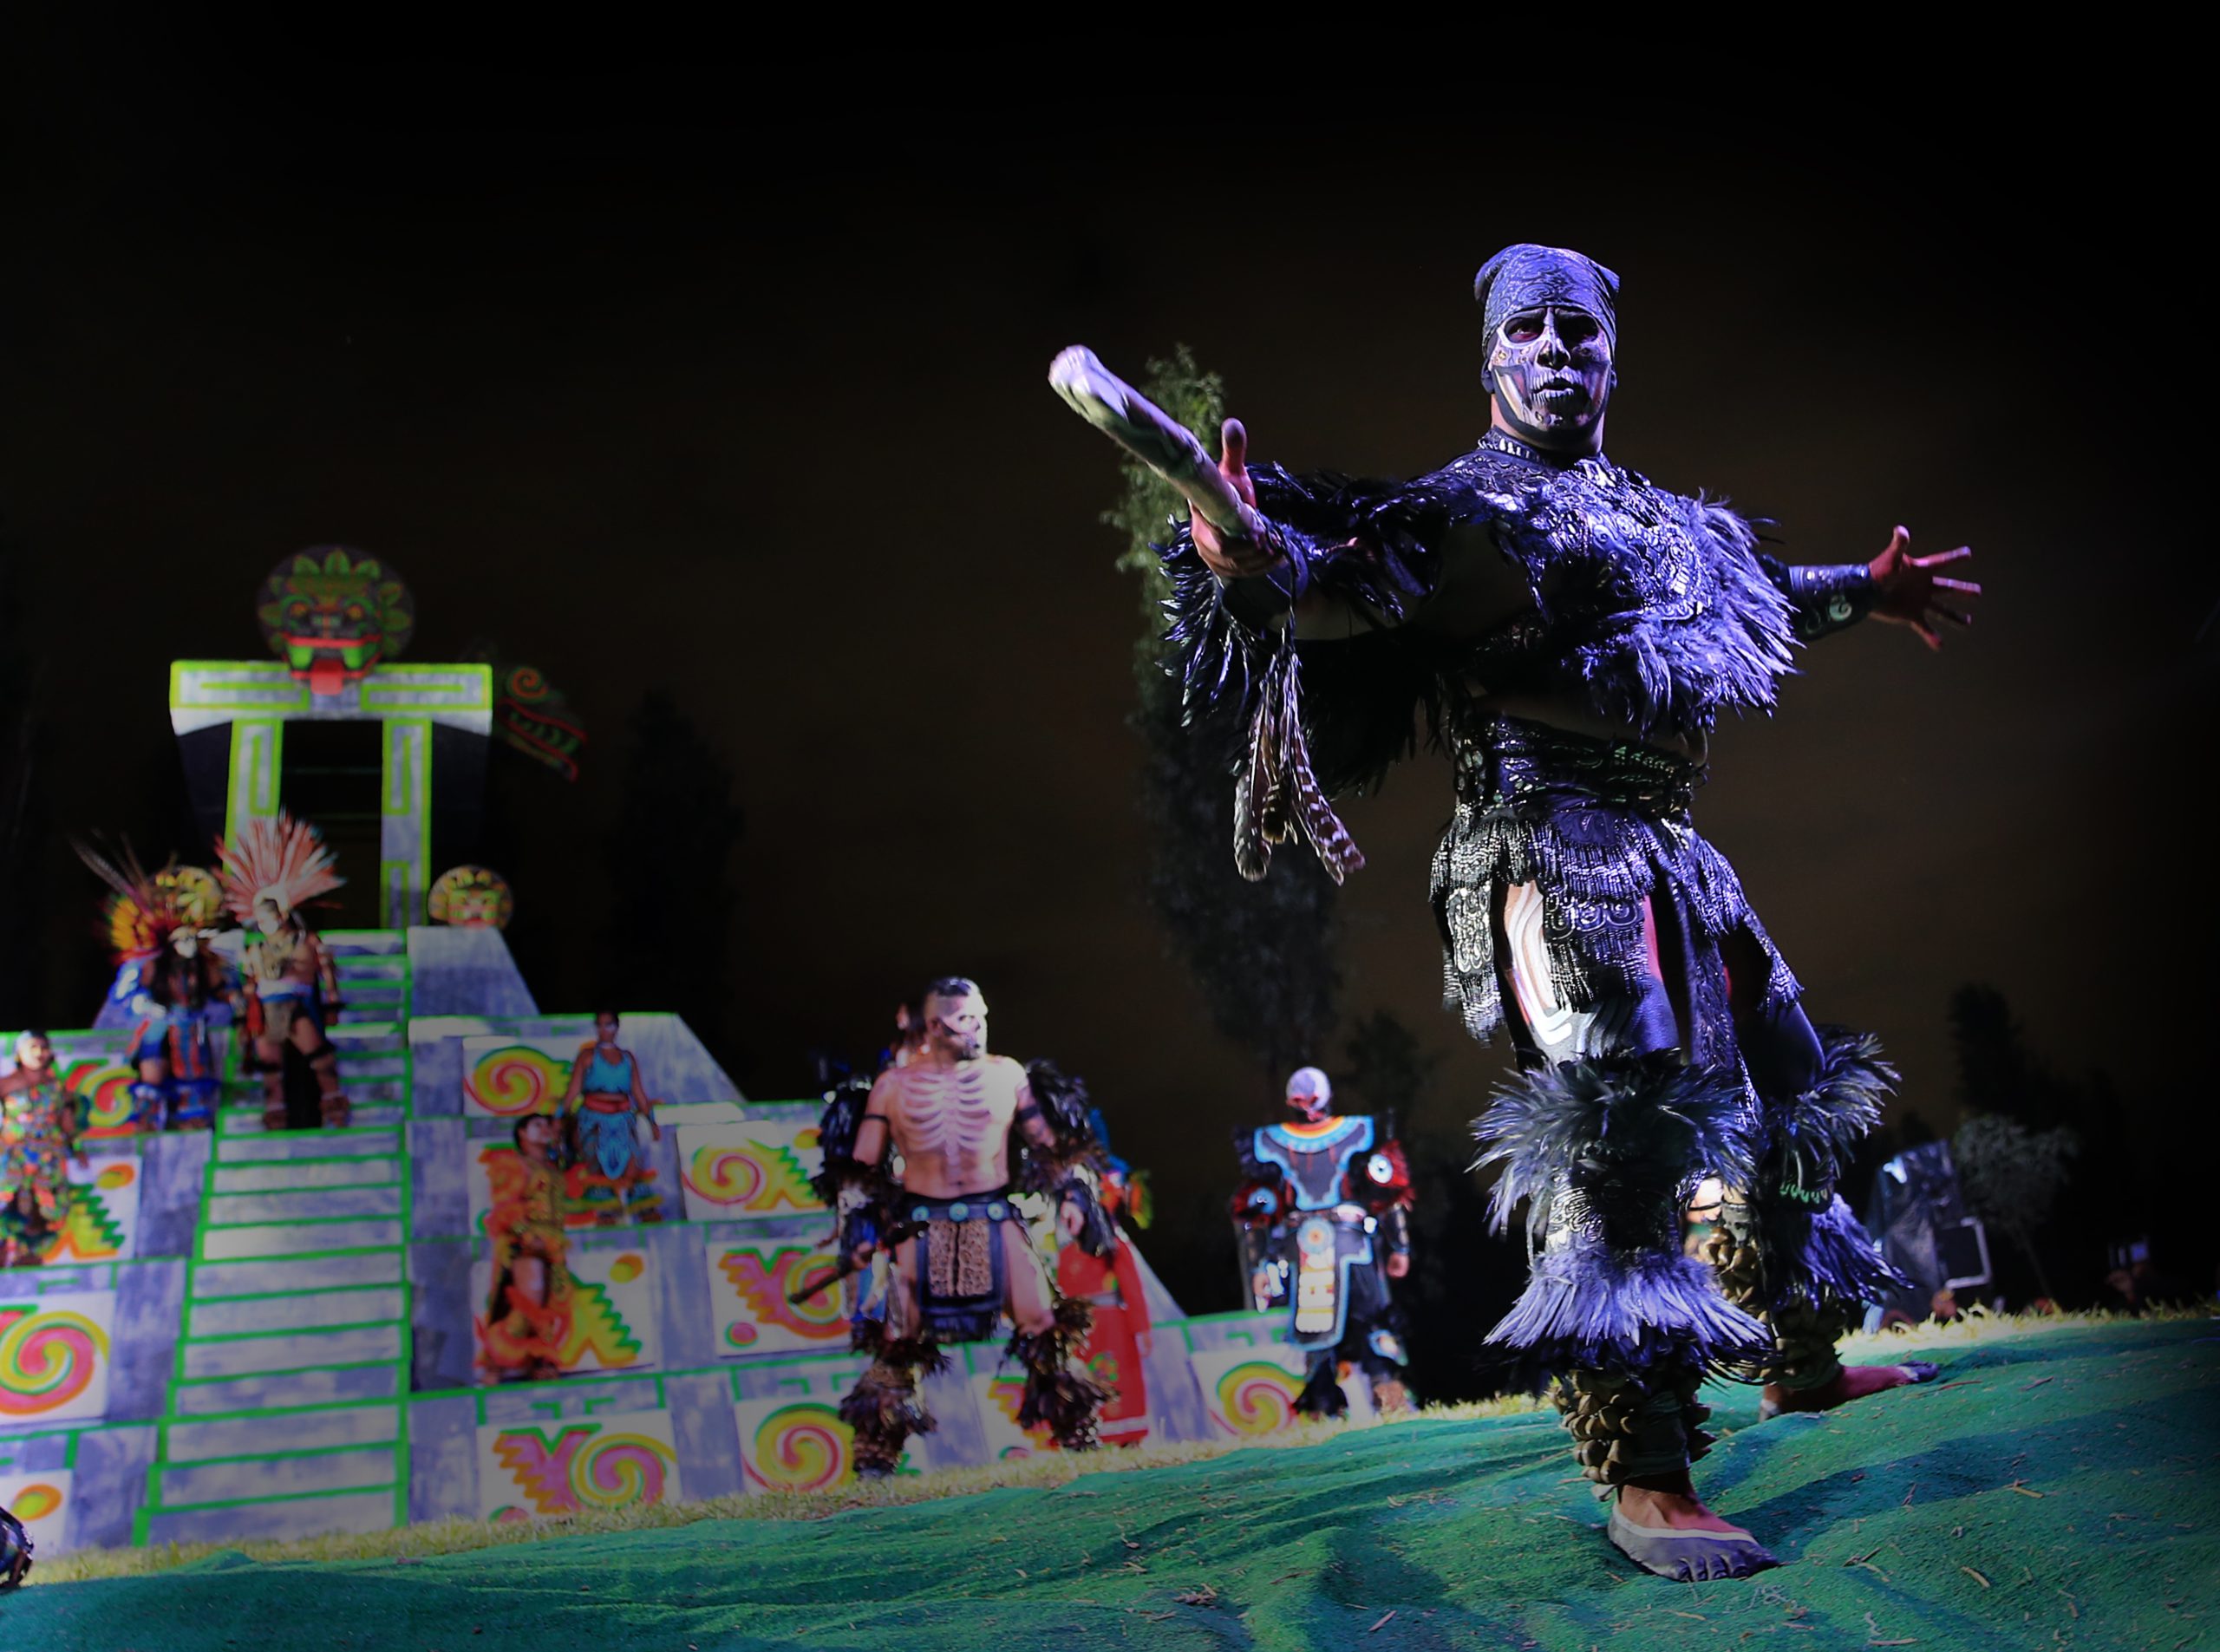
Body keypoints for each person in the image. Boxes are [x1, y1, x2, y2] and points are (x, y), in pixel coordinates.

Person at [1053, 244, 1975, 1578]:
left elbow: (1760, 597)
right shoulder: (1460, 510)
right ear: (1489, 354)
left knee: (1791, 1089)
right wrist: (1240, 550)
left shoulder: (1660, 516)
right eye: (1528, 329)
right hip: (1550, 841)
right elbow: (1325, 580)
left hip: (1676, 849)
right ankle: (1647, 1475)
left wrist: (1869, 592)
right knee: (1620, 1127)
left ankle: (1800, 1363)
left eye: (1578, 331)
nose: (1555, 351)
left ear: (1612, 353)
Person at [818, 977, 1111, 1474]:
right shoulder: (892, 1087)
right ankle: (875, 1461)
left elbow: (1050, 1147)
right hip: (920, 1225)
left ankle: (1081, 1439)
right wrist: (859, 1232)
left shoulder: (1007, 1074)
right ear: (935, 1026)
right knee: (898, 1339)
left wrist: (1073, 1195)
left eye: (981, 1017)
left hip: (993, 1215)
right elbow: (861, 1169)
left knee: (1043, 1324)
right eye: (966, 1020)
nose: (978, 1028)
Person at [1233, 1066, 1416, 1416]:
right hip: (1311, 1248)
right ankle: (1327, 1406)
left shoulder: (1358, 1132)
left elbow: (1388, 1192)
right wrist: (1260, 1265)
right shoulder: (1273, 1142)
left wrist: (1400, 1246)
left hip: (1345, 1244)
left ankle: (1384, 1397)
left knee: (1367, 1323)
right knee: (1321, 1328)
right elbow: (1256, 1209)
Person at [217, 814, 349, 1130]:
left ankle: (333, 1104)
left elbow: (327, 972)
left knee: (319, 1057)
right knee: (270, 1066)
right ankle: (274, 1112)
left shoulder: (306, 941)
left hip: (298, 1004)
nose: (267, 923)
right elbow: (249, 984)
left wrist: (332, 1001)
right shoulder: (255, 950)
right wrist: (243, 1016)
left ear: (283, 913)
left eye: (271, 916)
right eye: (261, 919)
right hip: (266, 1010)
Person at [478, 1110, 572, 1381]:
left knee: (549, 1305)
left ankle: (542, 1361)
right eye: (537, 1125)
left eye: (547, 1125)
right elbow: (504, 1209)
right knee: (527, 1303)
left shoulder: (553, 1168)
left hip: (554, 1243)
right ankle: (495, 1363)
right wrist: (528, 1236)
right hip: (526, 1242)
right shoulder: (514, 1164)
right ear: (522, 1133)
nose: (545, 1129)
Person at [560, 1010, 663, 1224]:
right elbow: (573, 1091)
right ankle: (606, 1213)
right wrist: (559, 1117)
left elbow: (639, 1093)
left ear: (617, 1028)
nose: (604, 1030)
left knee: (633, 1163)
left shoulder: (628, 1058)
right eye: (599, 1025)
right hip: (594, 1117)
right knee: (597, 1163)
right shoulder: (587, 1056)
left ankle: (645, 1210)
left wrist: (651, 1120)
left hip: (623, 1118)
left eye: (608, 1025)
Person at [1, 1032, 85, 1265]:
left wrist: (77, 1147)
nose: (39, 1053)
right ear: (19, 1053)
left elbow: (66, 1121)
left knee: (46, 1208)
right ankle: (7, 1254)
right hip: (14, 1157)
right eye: (32, 1047)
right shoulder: (6, 1084)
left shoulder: (55, 1087)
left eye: (44, 1047)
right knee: (10, 1204)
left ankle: (30, 1256)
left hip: (47, 1157)